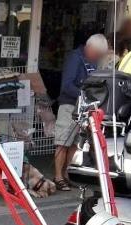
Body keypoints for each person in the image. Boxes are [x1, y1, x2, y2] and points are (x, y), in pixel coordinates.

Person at [52, 33, 108, 191]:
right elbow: (67, 85)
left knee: (75, 144)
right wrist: (85, 95)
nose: (96, 58)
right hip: (69, 105)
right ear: (89, 47)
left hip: (83, 107)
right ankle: (57, 176)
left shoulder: (93, 60)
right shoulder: (75, 58)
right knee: (63, 142)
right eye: (96, 54)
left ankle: (68, 175)